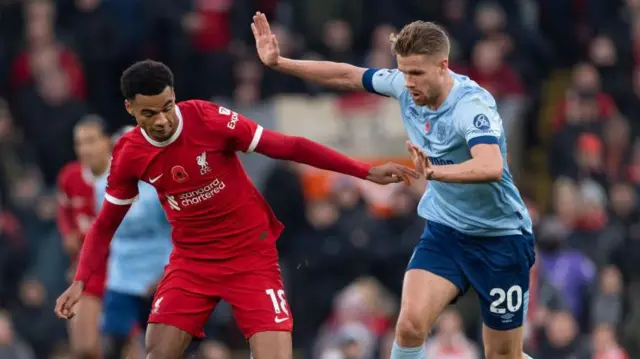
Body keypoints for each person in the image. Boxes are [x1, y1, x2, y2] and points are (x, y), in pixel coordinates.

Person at [54, 59, 418, 359]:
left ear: (174, 96)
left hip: (250, 255)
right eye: (150, 113)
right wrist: (81, 281)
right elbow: (104, 226)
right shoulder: (129, 154)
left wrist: (364, 171)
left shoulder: (207, 120)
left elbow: (287, 146)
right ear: (130, 109)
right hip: (192, 261)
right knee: (157, 351)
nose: (163, 120)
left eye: (167, 107)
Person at [252, 13, 535, 359]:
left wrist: (436, 174)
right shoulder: (402, 84)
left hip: (500, 238)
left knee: (503, 355)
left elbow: (491, 166)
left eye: (416, 73)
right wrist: (280, 62)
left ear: (443, 66)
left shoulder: (471, 106)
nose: (408, 82)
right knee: (410, 325)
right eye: (403, 72)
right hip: (446, 232)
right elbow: (347, 74)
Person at [99, 125, 172, 359]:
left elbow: (180, 233)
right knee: (112, 343)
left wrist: (166, 273)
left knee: (166, 347)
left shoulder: (162, 187)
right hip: (122, 277)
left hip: (158, 275)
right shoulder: (102, 187)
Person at [57, 115, 112, 359]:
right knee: (84, 348)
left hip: (123, 272)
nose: (84, 149)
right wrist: (68, 233)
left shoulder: (125, 177)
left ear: (107, 142)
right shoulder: (70, 177)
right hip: (86, 273)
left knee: (124, 346)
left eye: (91, 141)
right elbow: (64, 212)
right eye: (79, 143)